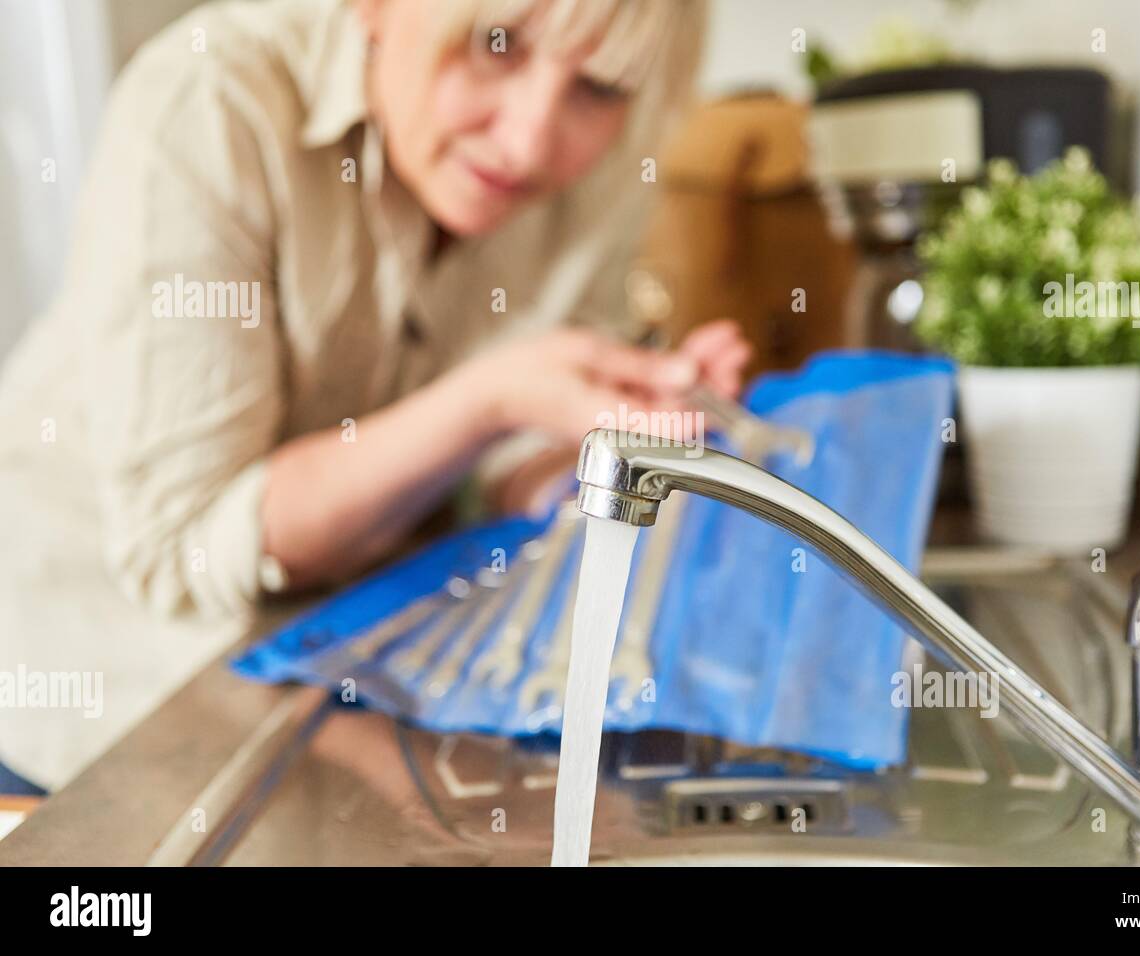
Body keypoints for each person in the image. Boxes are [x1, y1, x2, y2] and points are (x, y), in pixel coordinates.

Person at [0, 0, 750, 793]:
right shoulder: (211, 103)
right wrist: (492, 400)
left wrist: (600, 427)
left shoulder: (611, 158)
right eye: (495, 46)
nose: (531, 139)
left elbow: (491, 478)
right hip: (84, 707)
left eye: (598, 86)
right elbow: (184, 546)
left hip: (324, 683)